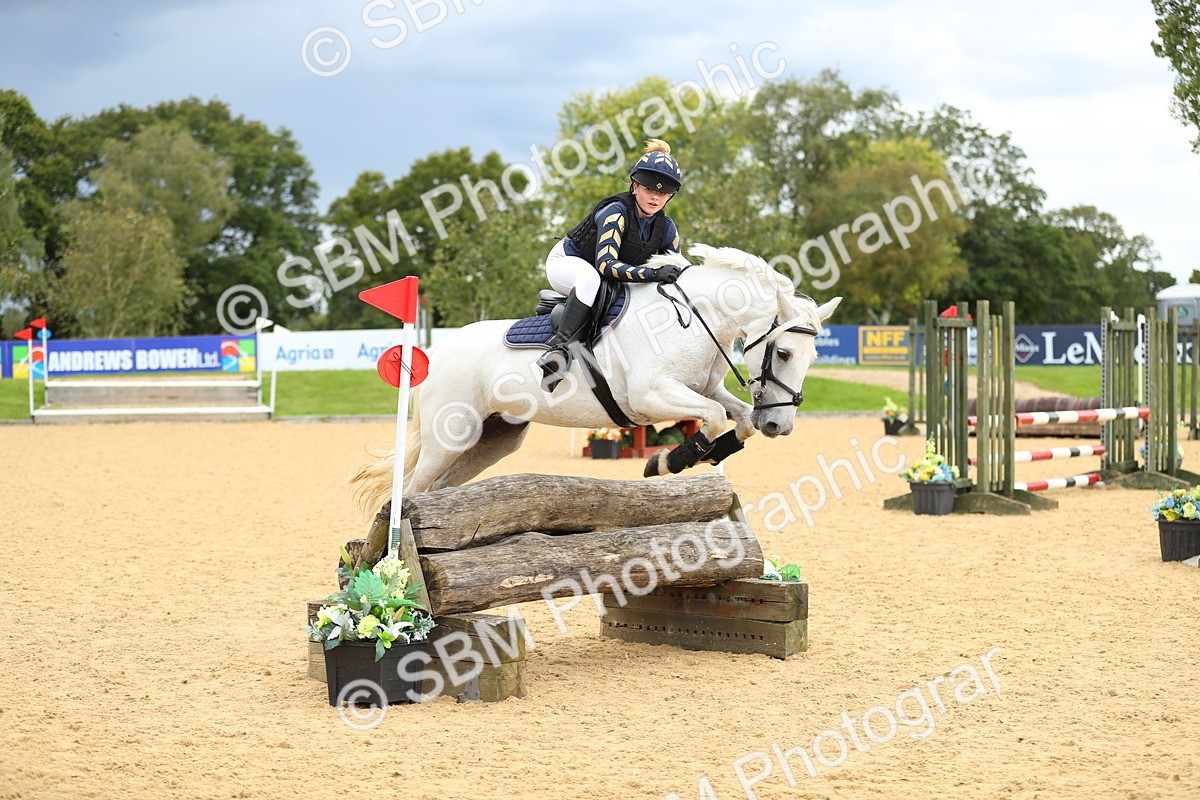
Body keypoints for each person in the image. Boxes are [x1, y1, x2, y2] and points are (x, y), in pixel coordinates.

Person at [537, 138, 686, 392]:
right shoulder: (615, 212)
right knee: (590, 280)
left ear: (669, 197)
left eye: (662, 193)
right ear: (635, 186)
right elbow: (605, 266)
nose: (655, 197)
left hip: (607, 274)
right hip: (569, 263)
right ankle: (558, 351)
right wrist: (652, 273)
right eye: (649, 189)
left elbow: (676, 276)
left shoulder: (667, 229)